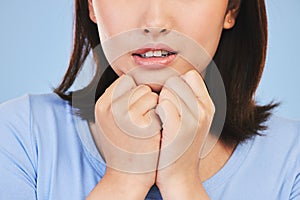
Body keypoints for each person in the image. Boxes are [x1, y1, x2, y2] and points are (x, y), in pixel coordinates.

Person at [0, 0, 299, 199]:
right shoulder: (20, 137)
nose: (155, 21)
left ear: (231, 9)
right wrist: (123, 179)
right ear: (91, 4)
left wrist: (183, 183)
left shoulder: (292, 160)